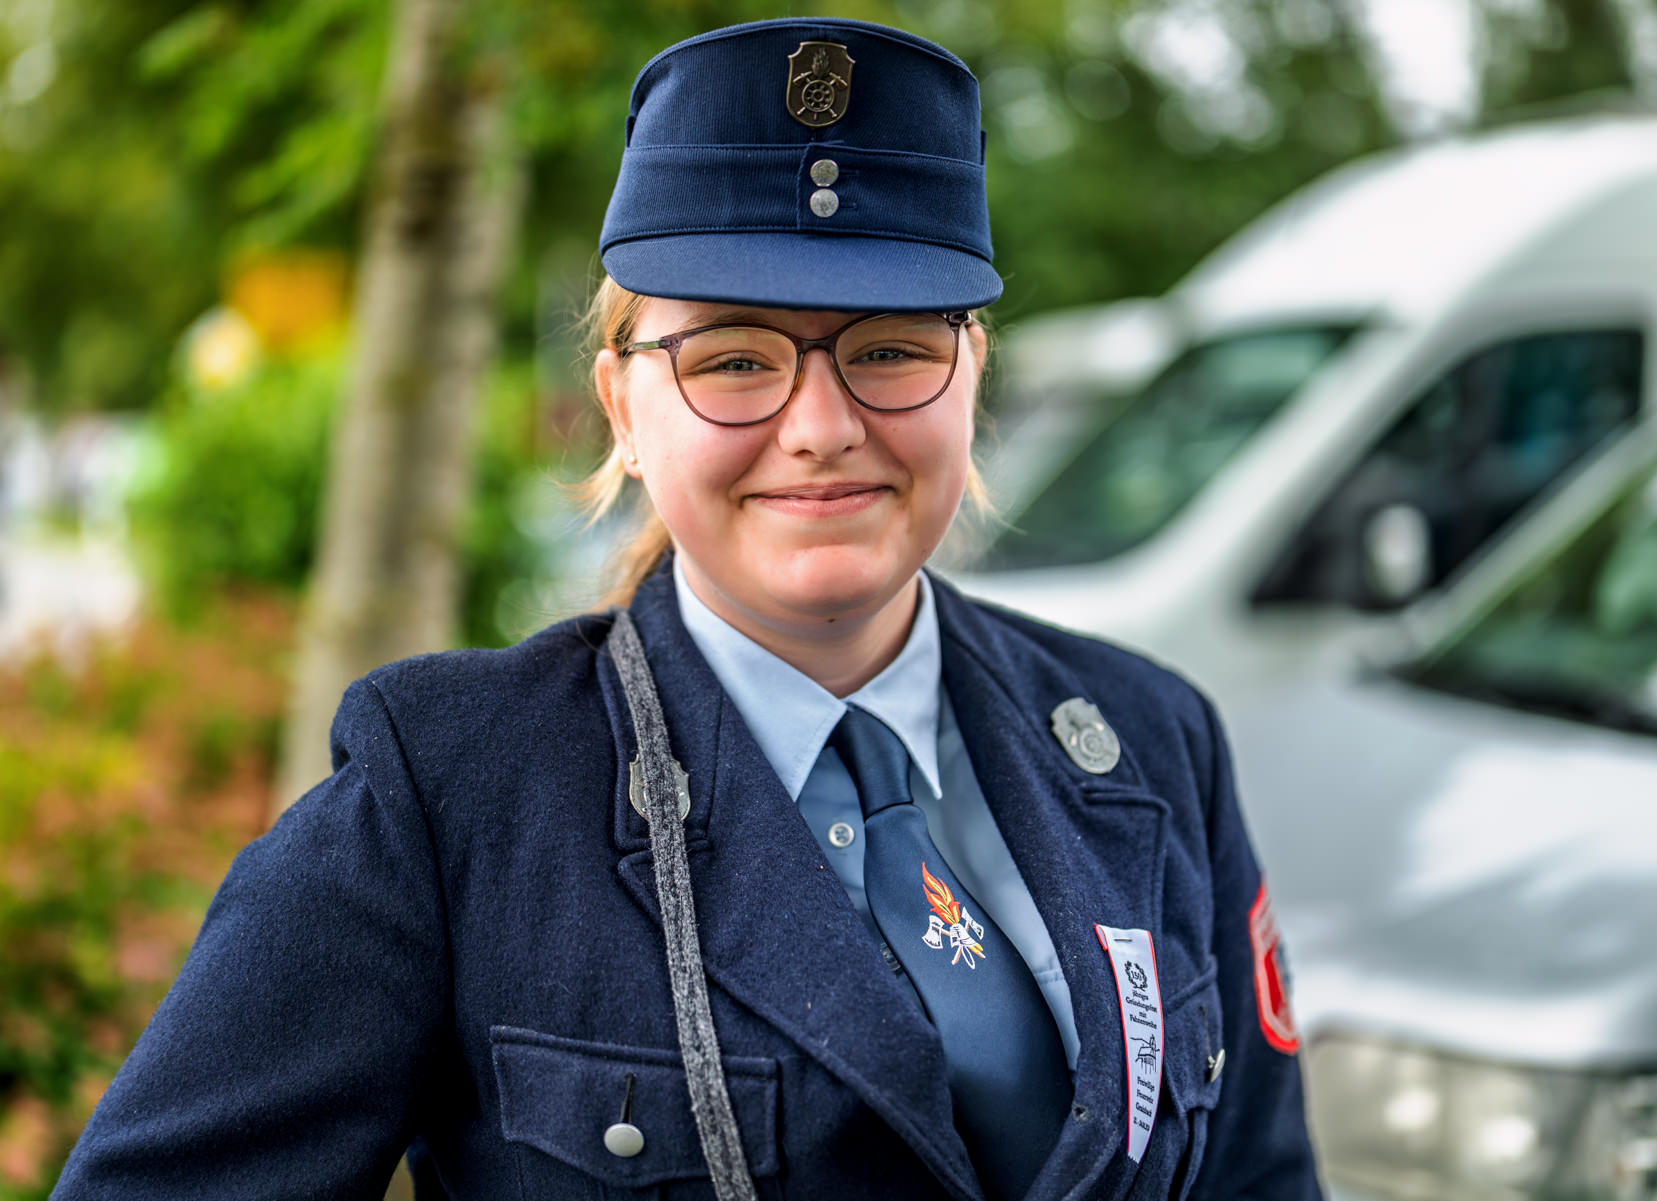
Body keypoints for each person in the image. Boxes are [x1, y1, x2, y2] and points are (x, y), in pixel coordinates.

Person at [53, 17, 1321, 1201]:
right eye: (734, 360)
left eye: (890, 349)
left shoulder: (1152, 739)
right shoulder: (447, 794)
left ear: (970, 371)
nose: (821, 428)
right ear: (622, 404)